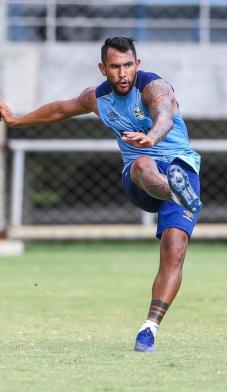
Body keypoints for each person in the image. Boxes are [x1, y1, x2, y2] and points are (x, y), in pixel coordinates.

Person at [0, 37, 202, 353]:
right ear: (103, 68)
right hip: (140, 176)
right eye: (115, 66)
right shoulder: (98, 98)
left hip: (180, 164)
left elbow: (164, 113)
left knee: (175, 249)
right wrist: (16, 120)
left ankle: (149, 328)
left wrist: (151, 135)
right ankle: (175, 191)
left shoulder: (154, 87)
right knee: (142, 164)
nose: (122, 73)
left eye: (128, 65)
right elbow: (59, 110)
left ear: (138, 64)